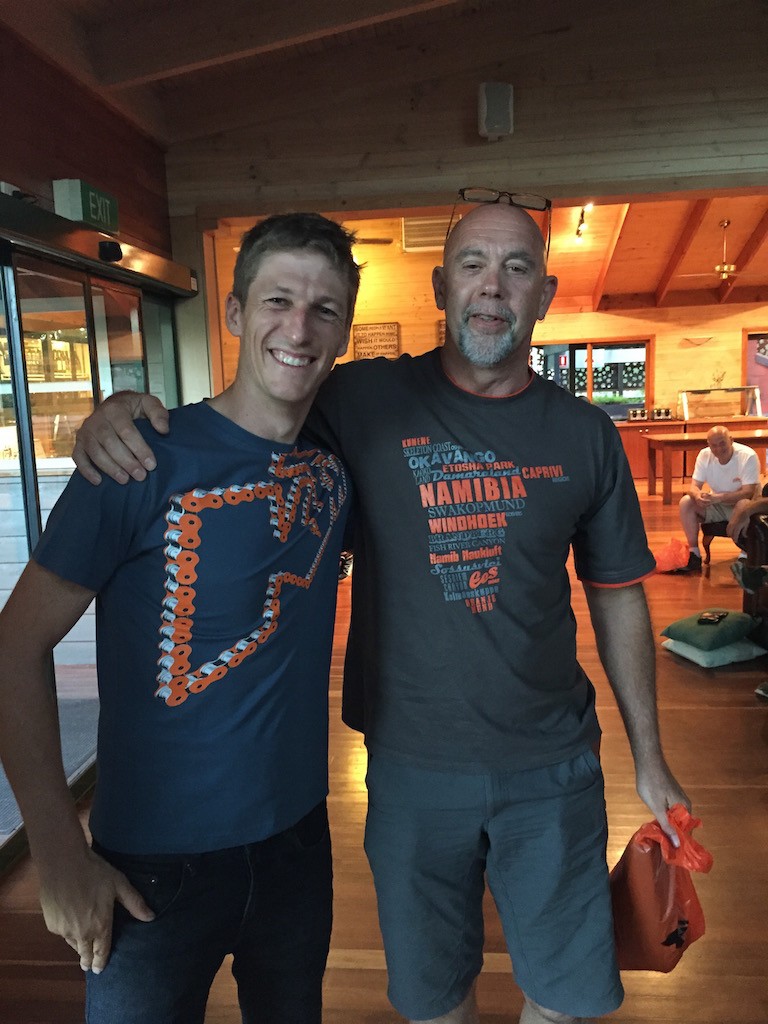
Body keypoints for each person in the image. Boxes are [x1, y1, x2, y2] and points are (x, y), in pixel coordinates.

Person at [71, 197, 690, 1024]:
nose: (493, 287)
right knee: (433, 1000)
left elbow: (618, 597)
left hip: (553, 769)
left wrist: (650, 759)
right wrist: (122, 412)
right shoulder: (359, 398)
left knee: (567, 999)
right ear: (440, 286)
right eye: (473, 265)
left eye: (517, 269)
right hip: (407, 770)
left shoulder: (585, 434)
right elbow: (252, 416)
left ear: (544, 295)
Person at [0, 212, 359, 1024]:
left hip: (298, 848)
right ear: (234, 312)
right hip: (151, 869)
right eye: (277, 301)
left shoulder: (335, 473)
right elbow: (14, 646)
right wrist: (56, 854)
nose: (298, 328)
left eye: (324, 309)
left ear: (342, 333)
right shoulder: (136, 458)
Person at [676, 425, 760, 573]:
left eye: (722, 443)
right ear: (709, 445)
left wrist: (719, 498)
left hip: (743, 505)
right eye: (714, 445)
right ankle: (694, 553)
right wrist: (697, 495)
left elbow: (748, 492)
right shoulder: (704, 455)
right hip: (717, 503)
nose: (719, 449)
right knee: (686, 502)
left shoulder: (748, 456)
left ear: (731, 440)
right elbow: (693, 486)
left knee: (744, 503)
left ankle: (745, 555)